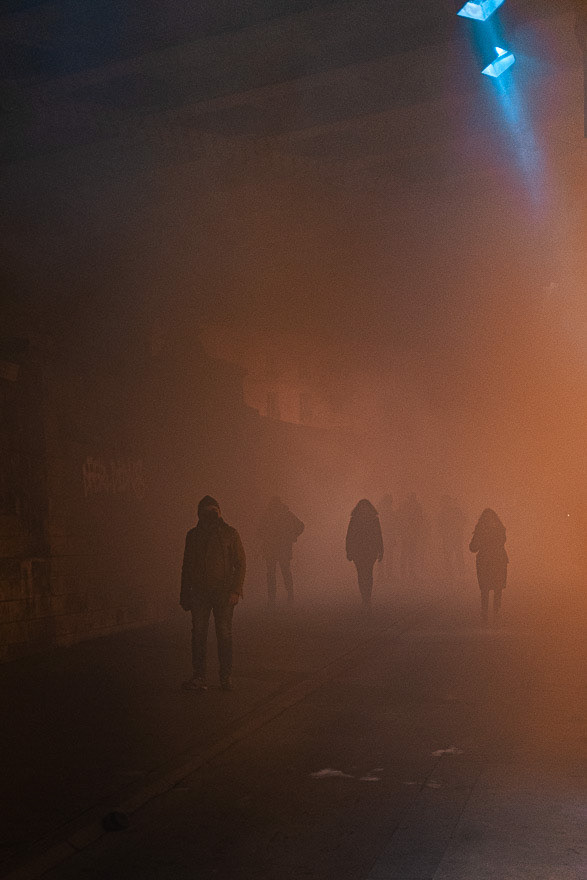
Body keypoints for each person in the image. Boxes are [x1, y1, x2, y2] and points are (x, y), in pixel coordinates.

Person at [180, 495, 246, 691]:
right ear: (199, 514)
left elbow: (240, 564)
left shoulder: (230, 534)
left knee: (224, 635)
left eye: (213, 511)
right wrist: (184, 594)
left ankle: (225, 676)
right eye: (206, 511)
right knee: (199, 635)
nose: (210, 515)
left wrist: (235, 590)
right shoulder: (192, 536)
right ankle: (200, 676)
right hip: (200, 593)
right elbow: (186, 566)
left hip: (223, 594)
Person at [257, 497, 304, 607]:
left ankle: (275, 599)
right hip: (279, 549)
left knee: (275, 574)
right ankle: (287, 597)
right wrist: (292, 536)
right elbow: (300, 526)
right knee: (282, 573)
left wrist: (292, 536)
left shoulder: (270, 515)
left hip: (275, 549)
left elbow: (260, 532)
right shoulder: (285, 514)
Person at [469, 508, 508, 625]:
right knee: (493, 588)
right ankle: (492, 612)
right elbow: (473, 547)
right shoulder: (498, 529)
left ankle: (489, 613)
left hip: (490, 561)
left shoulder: (483, 530)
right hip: (494, 561)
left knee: (490, 588)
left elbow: (473, 548)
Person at [345, 499, 383, 608]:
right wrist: (349, 550)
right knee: (362, 574)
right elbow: (349, 537)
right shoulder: (357, 520)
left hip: (368, 551)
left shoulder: (370, 520)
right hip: (360, 551)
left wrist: (381, 550)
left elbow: (378, 536)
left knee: (367, 574)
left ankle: (367, 597)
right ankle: (365, 597)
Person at [437, 496, 467, 579]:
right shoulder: (446, 512)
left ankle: (457, 574)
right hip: (451, 537)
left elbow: (463, 521)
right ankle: (454, 574)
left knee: (455, 555)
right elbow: (439, 525)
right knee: (452, 556)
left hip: (453, 537)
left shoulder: (452, 511)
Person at [397, 493, 424, 584]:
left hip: (411, 534)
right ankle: (406, 573)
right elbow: (401, 520)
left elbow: (420, 520)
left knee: (409, 554)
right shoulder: (409, 507)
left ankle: (408, 573)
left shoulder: (414, 507)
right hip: (408, 534)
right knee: (407, 554)